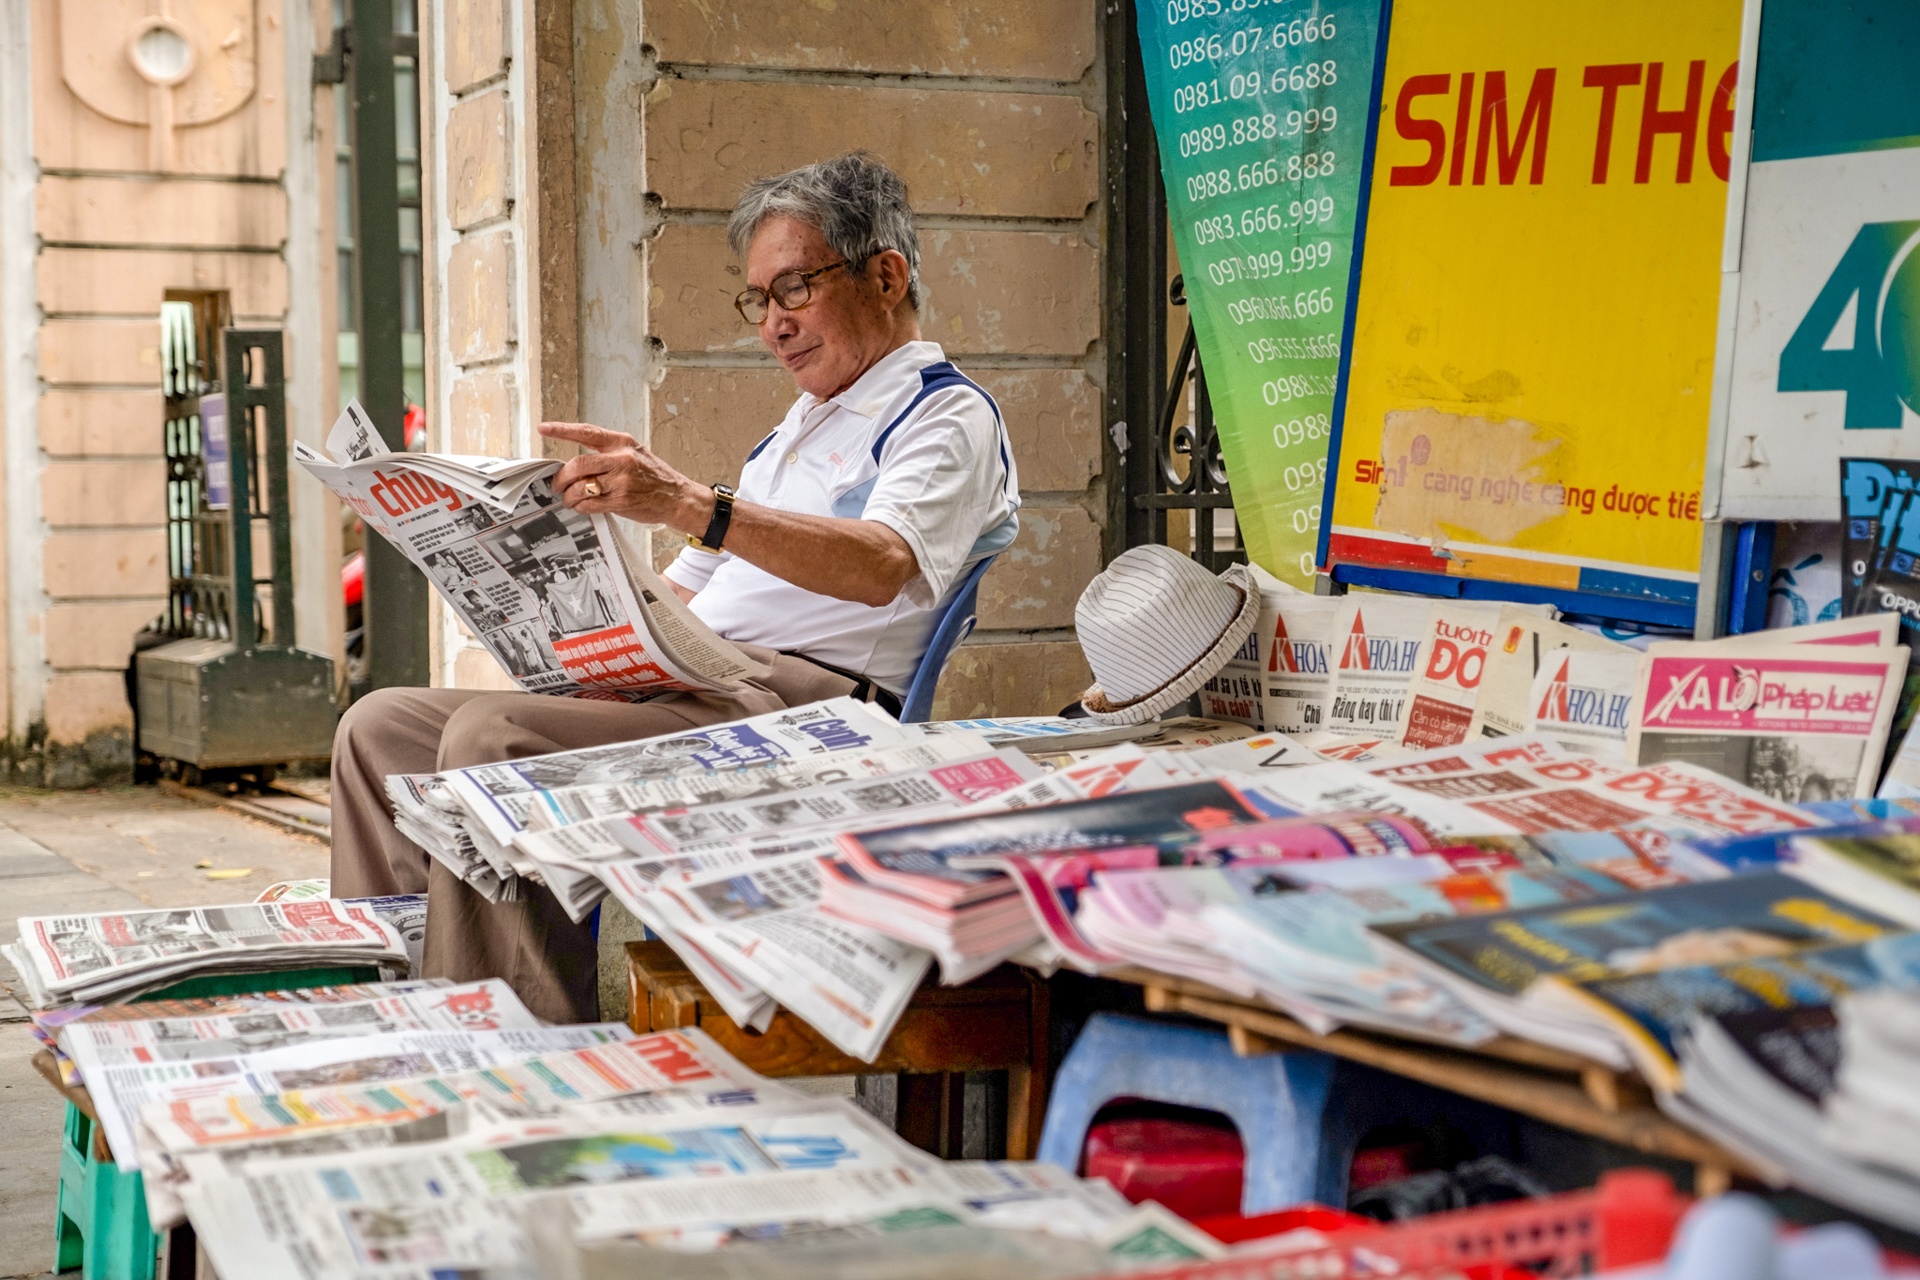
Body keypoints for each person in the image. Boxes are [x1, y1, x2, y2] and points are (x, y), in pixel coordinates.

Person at [329, 152, 1021, 1022]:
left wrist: (688, 502)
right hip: (698, 683)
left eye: (795, 288)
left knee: (493, 738)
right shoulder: (792, 434)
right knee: (377, 728)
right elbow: (680, 600)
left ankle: (512, 1034)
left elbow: (885, 563)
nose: (774, 325)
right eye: (759, 300)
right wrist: (544, 585)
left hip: (804, 711)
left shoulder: (943, 412)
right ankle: (391, 1007)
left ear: (885, 277)